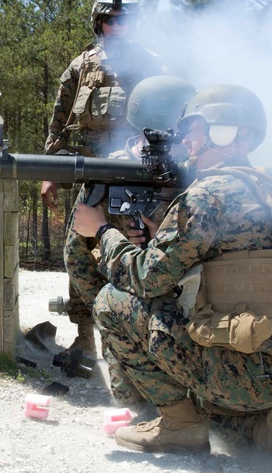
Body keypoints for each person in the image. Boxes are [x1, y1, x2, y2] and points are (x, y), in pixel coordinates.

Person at [71, 84, 272, 473]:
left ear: (233, 134)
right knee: (215, 384)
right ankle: (263, 423)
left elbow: (145, 278)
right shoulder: (271, 188)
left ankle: (181, 426)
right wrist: (159, 236)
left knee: (112, 300)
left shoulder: (208, 195)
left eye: (197, 128)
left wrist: (102, 230)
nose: (187, 140)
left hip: (243, 365)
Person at [42, 0, 165, 357]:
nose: (119, 27)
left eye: (126, 20)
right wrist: (49, 171)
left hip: (136, 179)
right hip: (93, 176)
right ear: (99, 21)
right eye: (111, 20)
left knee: (136, 258)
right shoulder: (81, 66)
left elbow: (167, 122)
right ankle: (86, 339)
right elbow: (59, 123)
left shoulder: (152, 65)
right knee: (77, 257)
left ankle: (136, 345)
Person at [63, 75, 195, 402]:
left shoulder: (200, 172)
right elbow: (77, 254)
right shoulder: (110, 174)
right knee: (133, 399)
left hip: (190, 306)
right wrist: (107, 313)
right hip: (131, 298)